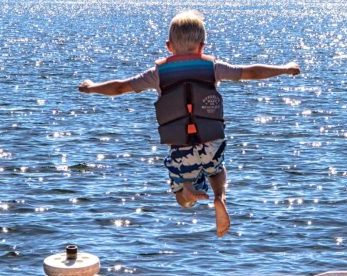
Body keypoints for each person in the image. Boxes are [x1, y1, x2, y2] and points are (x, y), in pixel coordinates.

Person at [78, 10, 300, 237]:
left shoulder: (158, 73)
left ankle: (187, 191)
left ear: (168, 46)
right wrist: (285, 68)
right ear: (202, 46)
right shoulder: (213, 68)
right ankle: (218, 198)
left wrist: (91, 87)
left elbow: (119, 87)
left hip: (181, 147)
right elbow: (251, 72)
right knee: (217, 170)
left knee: (181, 199)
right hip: (211, 142)